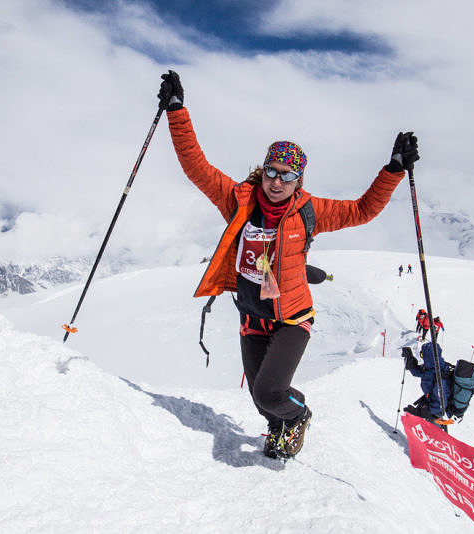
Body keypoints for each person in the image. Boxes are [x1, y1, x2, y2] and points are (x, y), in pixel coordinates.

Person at [157, 70, 419, 460]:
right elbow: (197, 166)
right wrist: (176, 112)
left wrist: (394, 170)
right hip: (252, 316)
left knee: (269, 392)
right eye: (272, 172)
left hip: (292, 318)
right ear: (263, 172)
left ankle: (298, 417)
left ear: (299, 181)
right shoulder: (238, 201)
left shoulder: (310, 212)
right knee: (260, 398)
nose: (277, 182)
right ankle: (280, 426)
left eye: (288, 175)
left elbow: (363, 210)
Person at [402, 343, 453, 424]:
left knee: (431, 421)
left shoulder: (440, 376)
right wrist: (410, 359)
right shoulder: (430, 368)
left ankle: (435, 432)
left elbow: (440, 406)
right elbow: (418, 372)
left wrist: (420, 412)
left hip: (438, 411)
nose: (422, 357)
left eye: (422, 354)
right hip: (431, 402)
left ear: (429, 355)